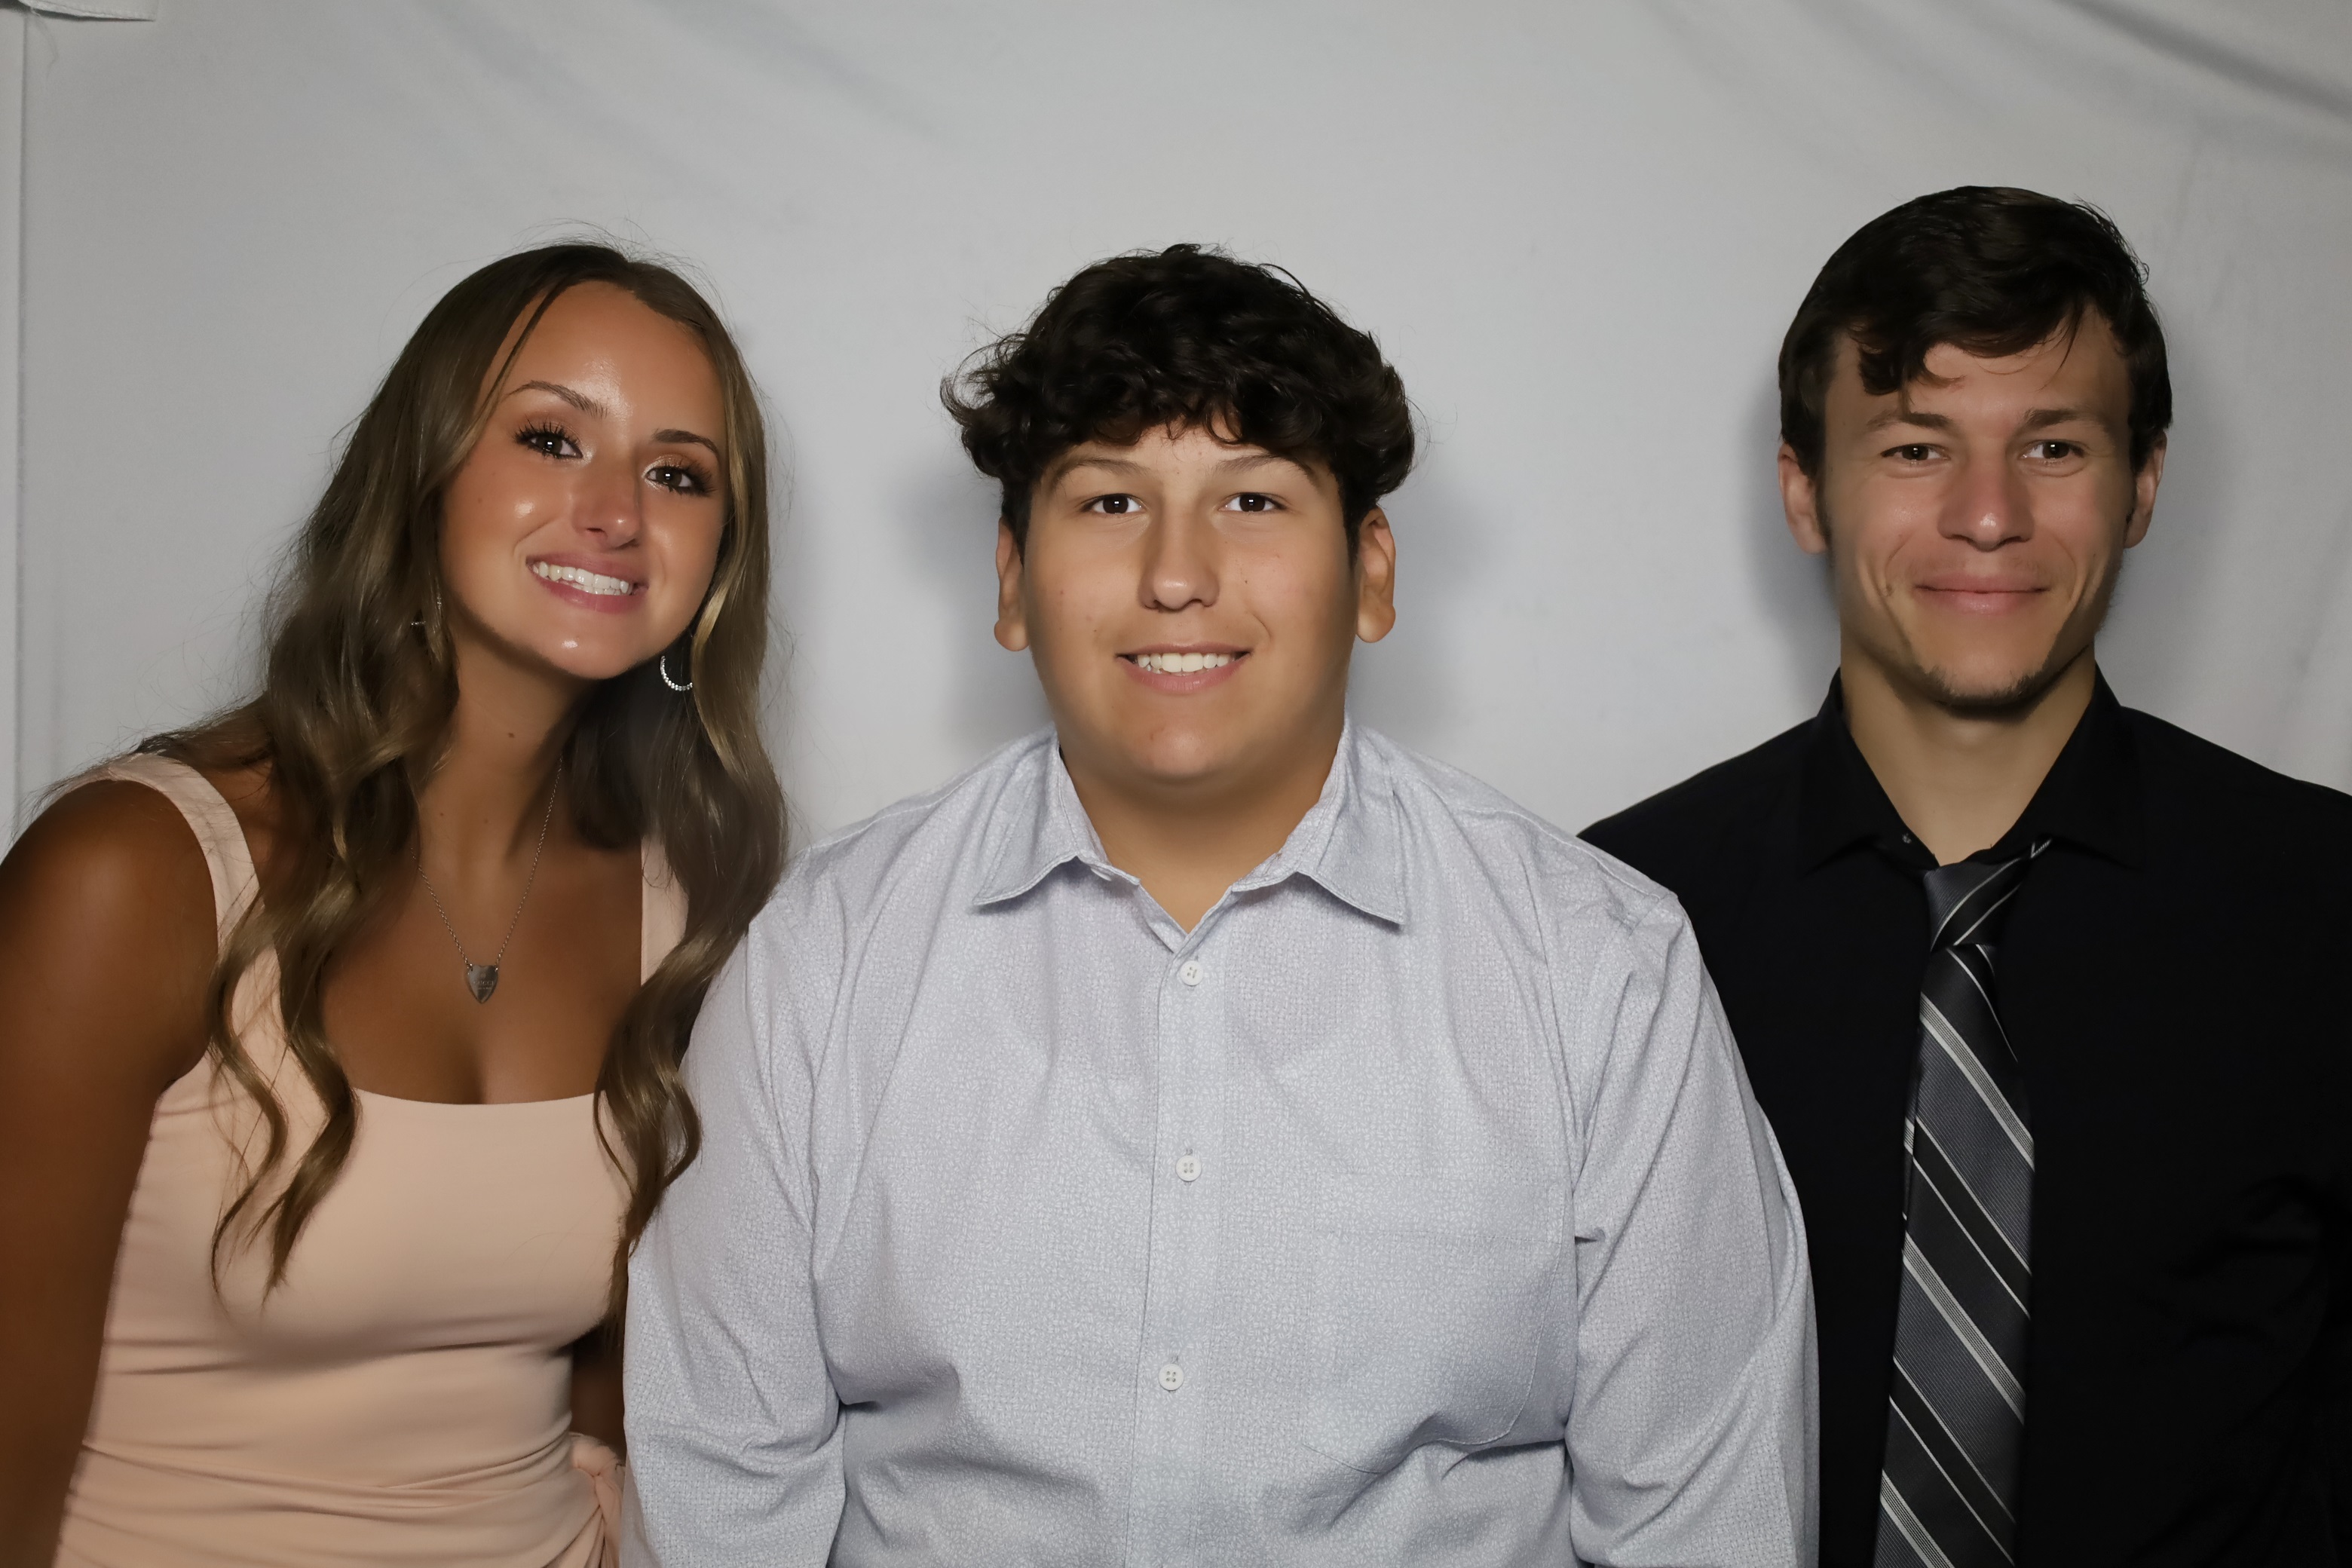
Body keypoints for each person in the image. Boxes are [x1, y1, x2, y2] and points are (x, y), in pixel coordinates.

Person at [623, 243, 1814, 1566]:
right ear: (1011, 582)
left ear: (1372, 573)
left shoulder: (1601, 971)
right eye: (1109, 501)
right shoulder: (825, 959)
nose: (1177, 574)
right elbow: (722, 1487)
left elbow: (1706, 1523)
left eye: (1252, 500)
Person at [1585, 186, 2352, 1566]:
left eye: (2053, 446)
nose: (1988, 515)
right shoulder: (1618, 923)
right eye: (1915, 447)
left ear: (2144, 485)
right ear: (1804, 490)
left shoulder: (2329, 905)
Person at [0, 243, 786, 1566]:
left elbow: (633, 1390)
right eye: (550, 439)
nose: (615, 513)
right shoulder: (132, 875)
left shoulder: (686, 906)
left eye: (677, 474)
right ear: (422, 471)